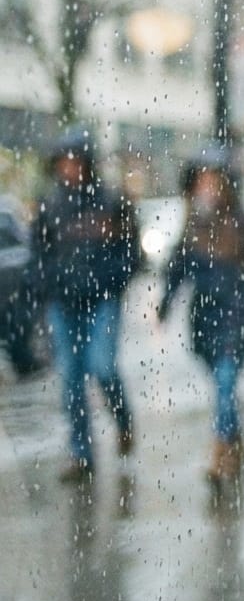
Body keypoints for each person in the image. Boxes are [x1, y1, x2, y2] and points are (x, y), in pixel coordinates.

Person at [156, 150, 244, 486]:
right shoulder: (191, 228)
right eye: (201, 181)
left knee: (226, 381)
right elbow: (176, 273)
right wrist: (164, 307)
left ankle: (219, 454)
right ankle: (234, 437)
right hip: (204, 318)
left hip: (238, 316)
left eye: (214, 181)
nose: (208, 188)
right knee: (222, 387)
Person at [27, 126, 141, 482]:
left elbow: (131, 252)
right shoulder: (50, 205)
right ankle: (80, 453)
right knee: (71, 380)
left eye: (76, 161)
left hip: (102, 300)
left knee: (102, 366)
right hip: (64, 304)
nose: (70, 168)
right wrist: (46, 288)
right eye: (64, 162)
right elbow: (38, 256)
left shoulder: (110, 201)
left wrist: (112, 280)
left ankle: (123, 419)